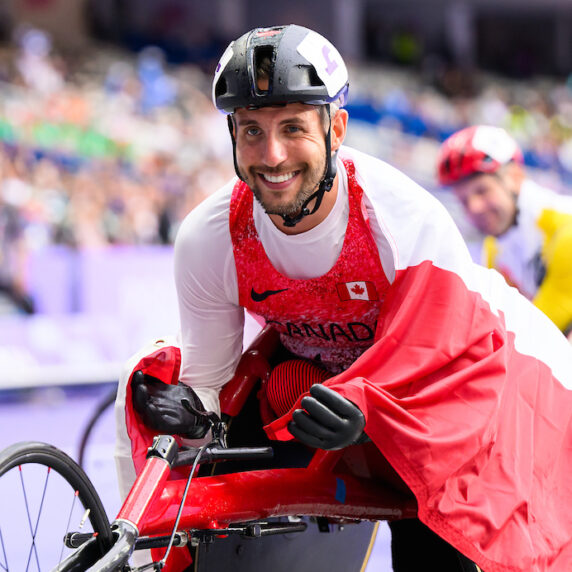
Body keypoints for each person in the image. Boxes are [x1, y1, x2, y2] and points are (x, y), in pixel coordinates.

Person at [115, 24, 572, 572]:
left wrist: (373, 405)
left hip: (483, 382)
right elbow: (212, 382)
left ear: (336, 129)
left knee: (440, 540)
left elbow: (457, 364)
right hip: (333, 393)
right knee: (153, 382)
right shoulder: (208, 238)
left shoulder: (405, 220)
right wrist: (194, 414)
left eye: (292, 128)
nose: (273, 155)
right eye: (252, 132)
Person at [436, 124, 572, 340]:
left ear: (515, 177)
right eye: (463, 200)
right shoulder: (493, 249)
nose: (474, 207)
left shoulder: (566, 231)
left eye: (482, 190)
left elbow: (536, 339)